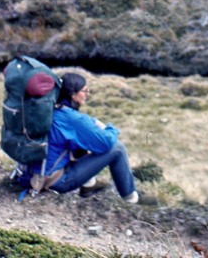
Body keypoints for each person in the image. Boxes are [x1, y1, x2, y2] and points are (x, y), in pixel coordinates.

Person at [31, 72, 140, 203]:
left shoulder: (51, 109)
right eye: (85, 90)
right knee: (118, 148)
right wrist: (110, 129)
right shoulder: (72, 119)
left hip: (32, 173)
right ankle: (131, 198)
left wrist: (91, 122)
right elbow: (107, 142)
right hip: (55, 181)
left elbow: (77, 125)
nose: (87, 94)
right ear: (73, 94)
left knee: (81, 141)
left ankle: (88, 186)